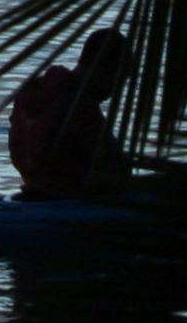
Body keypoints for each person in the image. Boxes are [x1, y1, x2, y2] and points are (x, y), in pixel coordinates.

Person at [7, 27, 127, 199]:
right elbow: (116, 168)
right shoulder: (80, 106)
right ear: (109, 72)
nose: (113, 92)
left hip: (34, 189)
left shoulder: (34, 90)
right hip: (67, 196)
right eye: (119, 81)